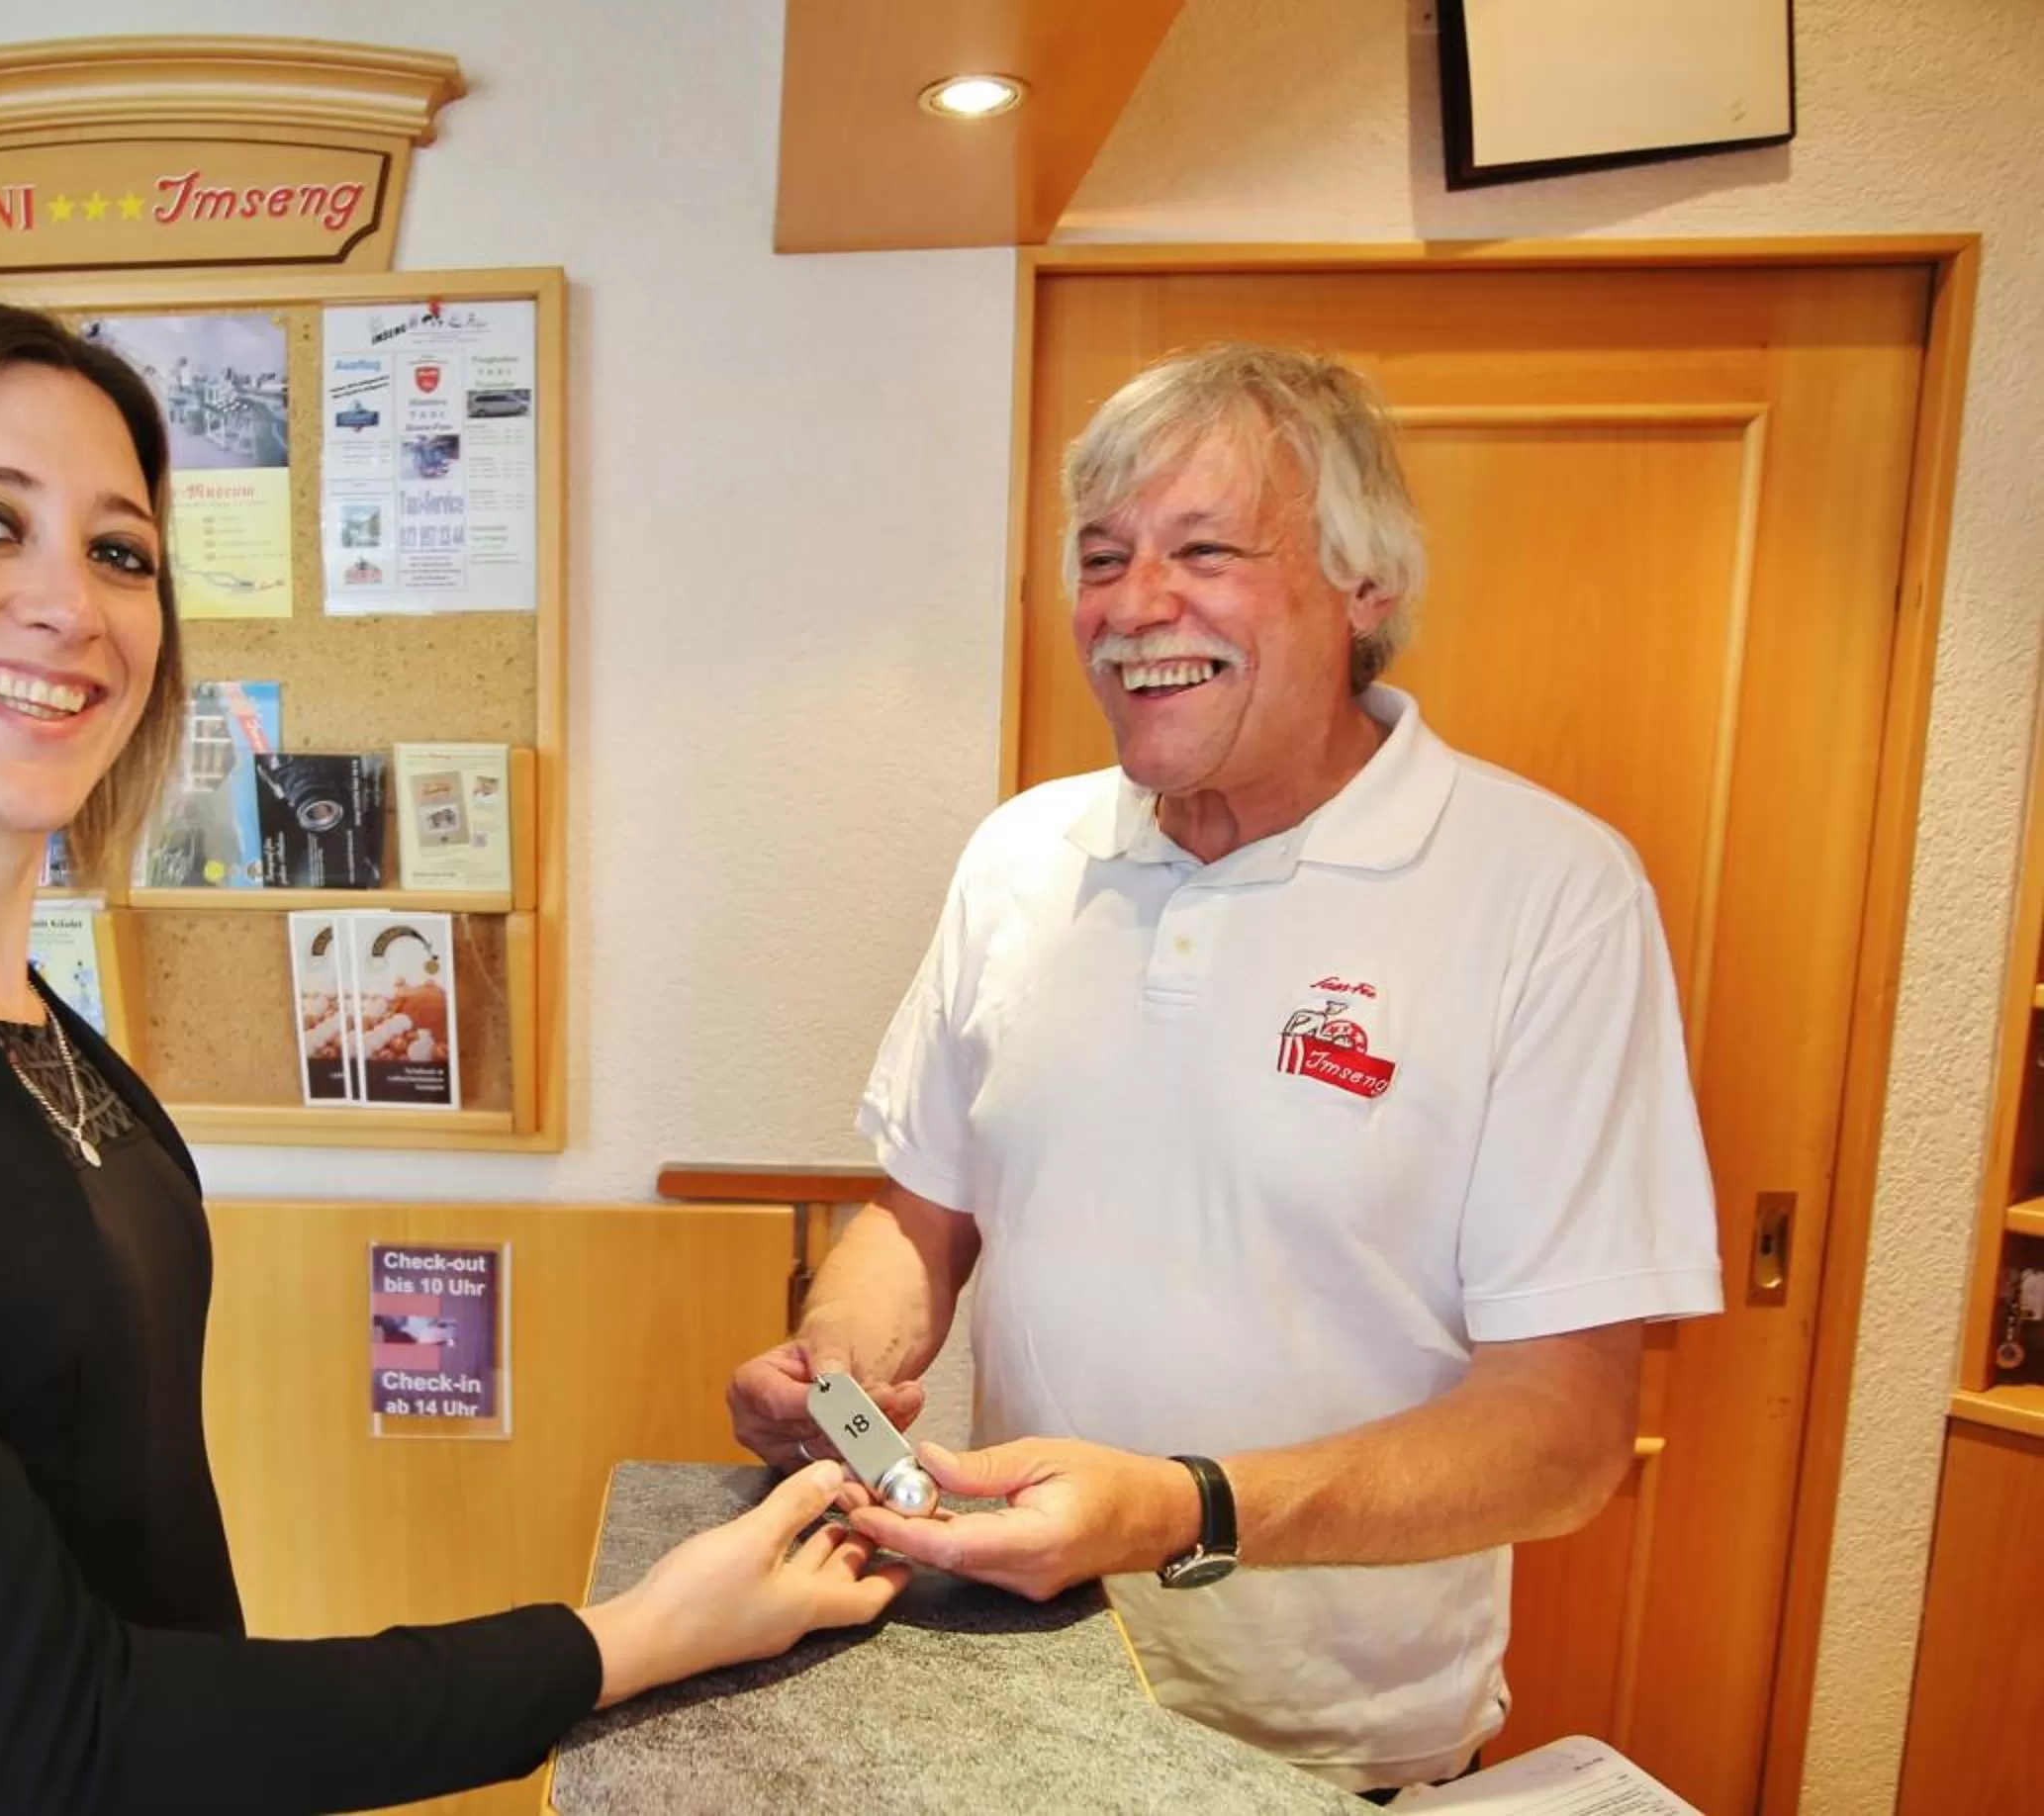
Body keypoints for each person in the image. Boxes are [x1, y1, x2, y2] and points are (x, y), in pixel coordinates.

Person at [0, 301, 905, 1816]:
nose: (70, 604)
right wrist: (623, 1644)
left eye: (120, 552)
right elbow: (47, 1730)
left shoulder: (11, 1020)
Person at [727, 343, 1723, 1799]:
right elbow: (925, 1207)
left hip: (1333, 1749)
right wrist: (844, 1361)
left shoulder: (1548, 893)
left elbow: (1565, 1437)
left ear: (1363, 588)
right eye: (1104, 555)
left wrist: (1180, 1508)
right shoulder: (1023, 856)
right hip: (1012, 1678)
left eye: (1205, 551)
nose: (1135, 607)